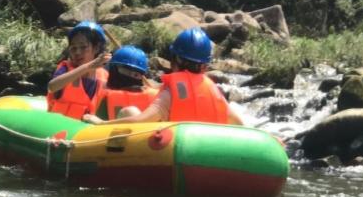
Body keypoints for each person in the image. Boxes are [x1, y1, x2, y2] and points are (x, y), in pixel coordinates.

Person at [84, 27, 243, 126]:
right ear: (205, 65)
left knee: (129, 112)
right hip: (211, 150)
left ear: (177, 59)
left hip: (175, 152)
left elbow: (140, 121)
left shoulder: (172, 92)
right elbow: (239, 122)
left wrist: (102, 124)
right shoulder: (214, 91)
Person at [47, 20, 111, 120]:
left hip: (84, 130)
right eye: (73, 48)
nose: (77, 52)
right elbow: (52, 87)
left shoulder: (104, 75)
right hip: (57, 126)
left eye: (83, 47)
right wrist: (88, 66)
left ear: (97, 48)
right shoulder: (65, 68)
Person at [93, 45, 160, 121]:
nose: (131, 76)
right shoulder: (103, 95)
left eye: (135, 74)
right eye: (127, 71)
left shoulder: (157, 98)